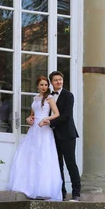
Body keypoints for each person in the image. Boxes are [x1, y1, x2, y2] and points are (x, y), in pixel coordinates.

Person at [8, 76, 62, 201]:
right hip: (34, 129)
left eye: (46, 85)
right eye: (41, 85)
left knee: (44, 156)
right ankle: (29, 185)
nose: (44, 87)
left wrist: (46, 119)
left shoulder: (50, 98)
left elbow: (57, 114)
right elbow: (32, 115)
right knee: (31, 156)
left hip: (44, 128)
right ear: (37, 86)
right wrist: (29, 119)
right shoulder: (35, 98)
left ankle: (44, 188)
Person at [43, 71, 81, 201]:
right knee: (58, 165)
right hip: (53, 135)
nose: (59, 82)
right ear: (51, 83)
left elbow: (66, 115)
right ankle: (61, 193)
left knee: (71, 163)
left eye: (60, 79)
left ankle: (76, 193)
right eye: (55, 80)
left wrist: (50, 121)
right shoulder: (48, 97)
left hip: (67, 134)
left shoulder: (68, 95)